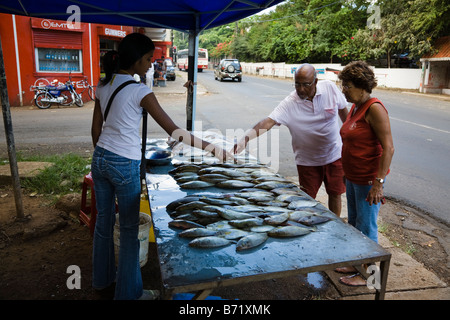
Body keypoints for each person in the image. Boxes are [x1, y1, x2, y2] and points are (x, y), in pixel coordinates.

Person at [91, 33, 230, 300]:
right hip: (124, 163)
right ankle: (129, 295)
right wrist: (213, 148)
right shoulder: (140, 91)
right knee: (130, 232)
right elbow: (175, 131)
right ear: (136, 60)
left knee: (103, 223)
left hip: (100, 159)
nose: (150, 64)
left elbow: (96, 130)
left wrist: (105, 155)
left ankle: (102, 281)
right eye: (147, 59)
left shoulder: (103, 85)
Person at [233, 64, 348, 216]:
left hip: (334, 154)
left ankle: (337, 227)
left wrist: (349, 137)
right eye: (297, 84)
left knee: (335, 193)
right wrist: (245, 139)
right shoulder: (290, 103)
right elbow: (268, 121)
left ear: (315, 81)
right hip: (307, 161)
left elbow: (343, 111)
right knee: (306, 199)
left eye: (305, 84)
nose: (300, 89)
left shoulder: (329, 88)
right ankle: (307, 227)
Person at [336, 60, 394, 286]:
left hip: (368, 181)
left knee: (367, 227)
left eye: (347, 85)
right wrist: (346, 172)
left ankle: (372, 279)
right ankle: (356, 264)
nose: (344, 90)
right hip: (353, 177)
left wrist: (378, 183)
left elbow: (388, 147)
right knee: (354, 223)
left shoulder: (375, 108)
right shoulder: (356, 106)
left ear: (362, 86)